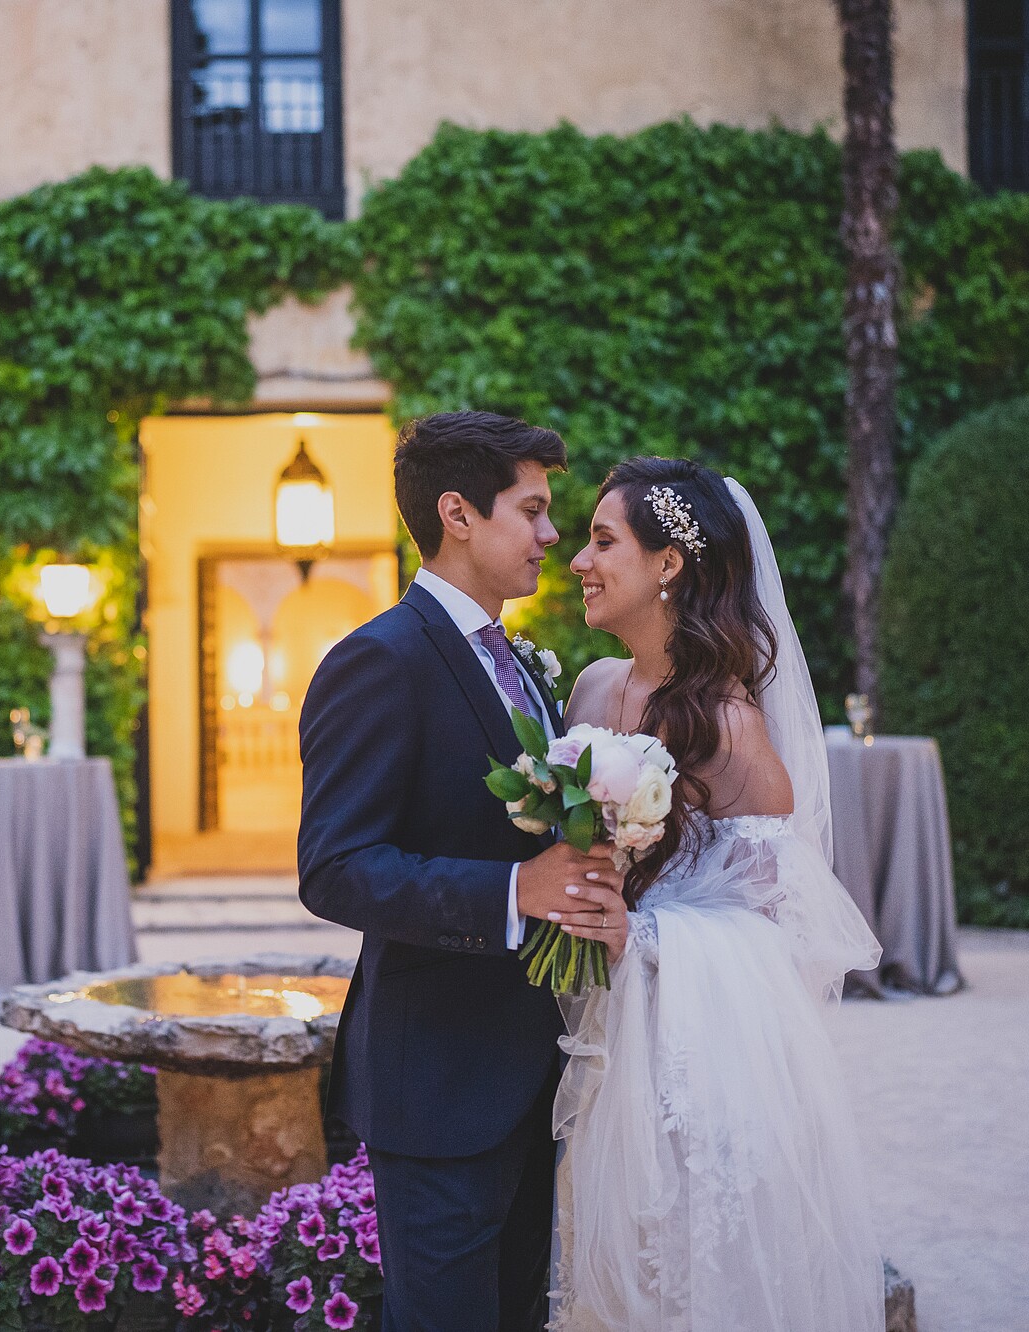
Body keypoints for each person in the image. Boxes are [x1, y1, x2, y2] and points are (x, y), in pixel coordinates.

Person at [298, 410, 627, 1332]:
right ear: (458, 513)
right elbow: (334, 868)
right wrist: (514, 891)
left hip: (536, 1072)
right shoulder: (379, 660)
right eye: (534, 510)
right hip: (438, 1086)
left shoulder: (520, 663)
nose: (552, 536)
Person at [546, 456, 886, 1331]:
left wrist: (641, 938)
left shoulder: (729, 725)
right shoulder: (589, 689)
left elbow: (780, 919)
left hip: (687, 1053)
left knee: (678, 1270)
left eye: (601, 540)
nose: (578, 560)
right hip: (589, 1026)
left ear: (668, 565)